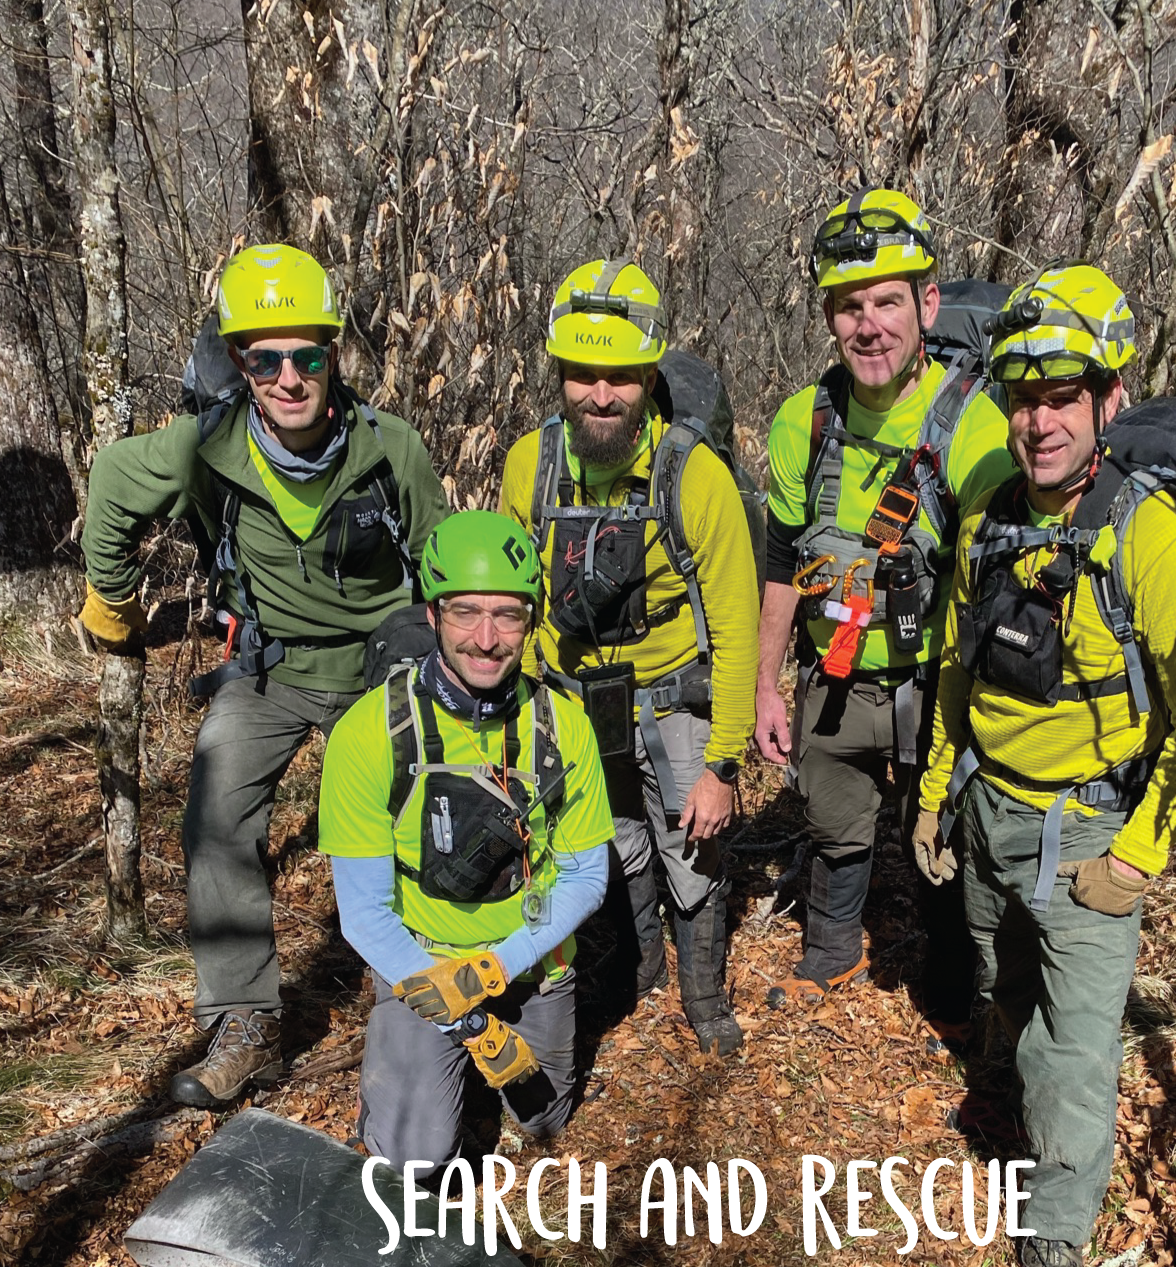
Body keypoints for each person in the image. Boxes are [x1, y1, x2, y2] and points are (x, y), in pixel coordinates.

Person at [912, 262, 1176, 1267]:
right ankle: (1015, 1109)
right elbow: (955, 665)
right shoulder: (986, 516)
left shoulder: (1153, 536)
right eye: (1023, 398)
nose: (1039, 422)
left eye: (1062, 398)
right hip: (987, 809)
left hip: (1090, 828)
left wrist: (1138, 853)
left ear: (1108, 399)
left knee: (1076, 1050)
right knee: (1006, 989)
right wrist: (933, 793)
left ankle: (1054, 1238)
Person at [79, 243, 449, 1108]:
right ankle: (246, 1020)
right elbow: (113, 480)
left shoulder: (390, 448)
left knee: (422, 811)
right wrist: (112, 602)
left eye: (307, 357)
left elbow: (445, 565)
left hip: (378, 664)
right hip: (270, 666)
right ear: (240, 364)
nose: (288, 378)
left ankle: (415, 984)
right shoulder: (204, 446)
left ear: (333, 355)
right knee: (215, 813)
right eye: (264, 359)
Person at [753, 188, 1011, 1024]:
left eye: (887, 303)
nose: (868, 326)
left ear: (926, 305)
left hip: (934, 681)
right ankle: (834, 947)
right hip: (832, 671)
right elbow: (780, 559)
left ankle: (951, 978)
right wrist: (764, 685)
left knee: (938, 835)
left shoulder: (974, 428)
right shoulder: (803, 423)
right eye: (849, 306)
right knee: (833, 818)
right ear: (829, 318)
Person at [500, 259, 759, 1056]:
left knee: (693, 852)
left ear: (649, 377)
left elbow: (736, 626)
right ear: (559, 374)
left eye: (619, 377)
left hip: (673, 699)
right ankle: (642, 961)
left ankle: (702, 992)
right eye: (583, 375)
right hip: (573, 701)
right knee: (614, 841)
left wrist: (722, 764)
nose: (600, 395)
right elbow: (512, 605)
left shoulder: (693, 474)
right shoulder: (529, 466)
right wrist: (517, 721)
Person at [318, 511, 614, 1167]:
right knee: (413, 1163)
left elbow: (586, 875)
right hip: (422, 964)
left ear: (530, 621)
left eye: (507, 615)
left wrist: (495, 968)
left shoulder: (563, 727)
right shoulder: (369, 733)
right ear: (433, 613)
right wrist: (468, 1019)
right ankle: (407, 1079)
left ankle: (464, 1063)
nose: (486, 638)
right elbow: (364, 913)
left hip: (532, 961)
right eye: (465, 612)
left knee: (543, 1122)